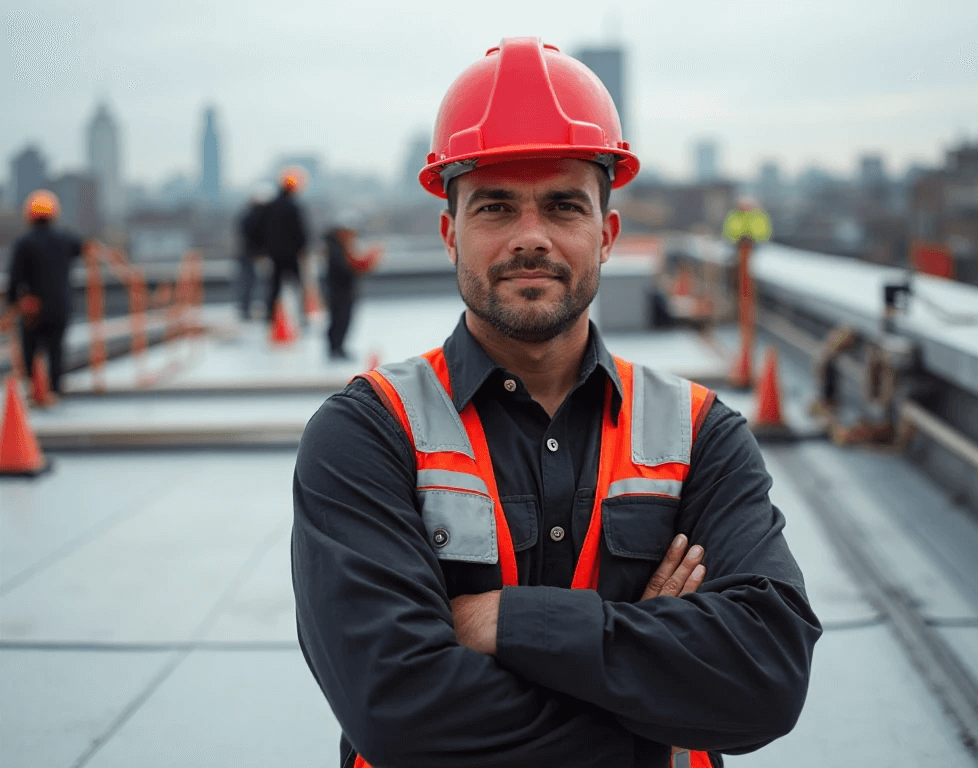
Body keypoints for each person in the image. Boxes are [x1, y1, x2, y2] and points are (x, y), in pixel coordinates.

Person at [292, 38, 820, 768]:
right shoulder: (367, 434)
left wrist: (504, 621)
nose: (530, 236)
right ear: (452, 235)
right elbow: (396, 711)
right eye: (496, 207)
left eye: (564, 205)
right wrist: (649, 689)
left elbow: (765, 679)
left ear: (606, 234)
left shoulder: (700, 434)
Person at [1, 190, 82, 406]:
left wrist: (11, 304)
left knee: (31, 348)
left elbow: (15, 278)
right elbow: (81, 247)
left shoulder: (24, 243)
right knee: (56, 349)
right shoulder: (64, 239)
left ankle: (35, 389)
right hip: (60, 306)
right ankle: (55, 389)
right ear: (54, 214)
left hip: (33, 308)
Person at [322, 223, 380, 359]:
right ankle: (335, 348)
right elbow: (344, 268)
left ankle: (338, 347)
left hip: (343, 289)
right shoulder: (336, 248)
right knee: (339, 319)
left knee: (343, 319)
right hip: (339, 290)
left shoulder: (340, 246)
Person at [264, 167, 308, 327]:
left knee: (274, 288)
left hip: (275, 254)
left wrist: (264, 248)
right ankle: (301, 318)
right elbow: (300, 230)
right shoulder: (293, 206)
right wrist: (303, 248)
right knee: (297, 286)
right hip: (291, 255)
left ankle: (270, 318)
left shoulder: (271, 206)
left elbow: (262, 230)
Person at [236, 182, 273, 321]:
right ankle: (265, 310)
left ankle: (246, 310)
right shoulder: (262, 217)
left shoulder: (247, 216)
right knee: (260, 284)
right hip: (256, 255)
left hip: (249, 255)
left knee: (248, 284)